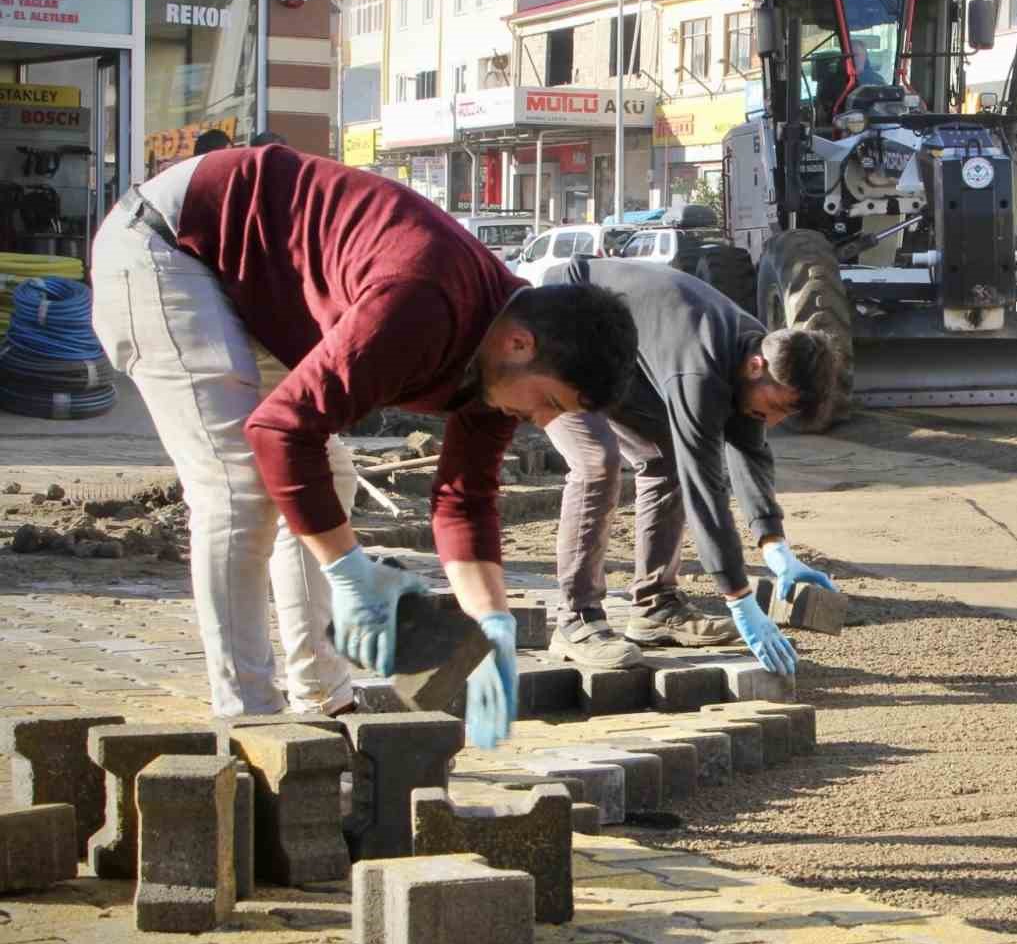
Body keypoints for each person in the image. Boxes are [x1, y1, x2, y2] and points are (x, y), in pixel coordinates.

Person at [89, 146, 638, 750]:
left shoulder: (498, 358)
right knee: (239, 487)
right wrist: (352, 571)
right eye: (551, 403)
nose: (540, 421)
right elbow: (280, 431)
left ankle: (324, 703)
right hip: (166, 244)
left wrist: (494, 626)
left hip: (241, 281)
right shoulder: (421, 305)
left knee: (327, 481)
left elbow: (463, 499)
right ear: (519, 344)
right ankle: (251, 726)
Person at [534, 258, 843, 674]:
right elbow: (706, 493)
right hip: (558, 323)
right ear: (757, 368)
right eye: (777, 407)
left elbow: (750, 454)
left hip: (619, 348)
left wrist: (777, 549)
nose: (773, 421)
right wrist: (739, 597)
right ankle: (576, 619)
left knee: (665, 459)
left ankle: (655, 607)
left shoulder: (755, 350)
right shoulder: (700, 371)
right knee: (596, 461)